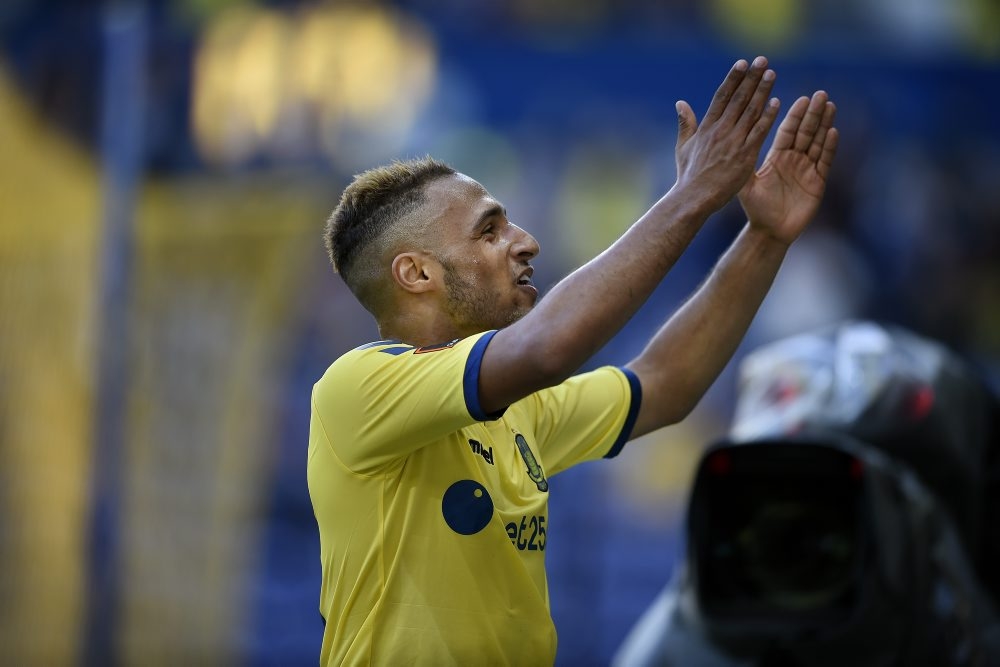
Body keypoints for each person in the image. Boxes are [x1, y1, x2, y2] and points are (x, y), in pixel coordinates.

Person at [308, 55, 838, 666]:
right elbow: (548, 347)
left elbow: (663, 384)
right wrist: (692, 195)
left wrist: (765, 238)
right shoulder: (357, 387)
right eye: (489, 231)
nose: (527, 242)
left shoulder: (518, 409)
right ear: (416, 273)